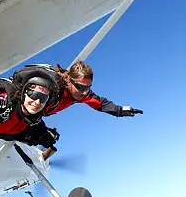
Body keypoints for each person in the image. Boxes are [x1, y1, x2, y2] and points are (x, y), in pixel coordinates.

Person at [11, 61, 143, 155]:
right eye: (80, 87)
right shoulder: (51, 88)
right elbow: (26, 105)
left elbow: (100, 103)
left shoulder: (80, 94)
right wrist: (40, 130)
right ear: (69, 81)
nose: (84, 92)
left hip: (35, 113)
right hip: (14, 106)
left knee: (44, 137)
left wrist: (120, 110)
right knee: (31, 135)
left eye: (88, 87)